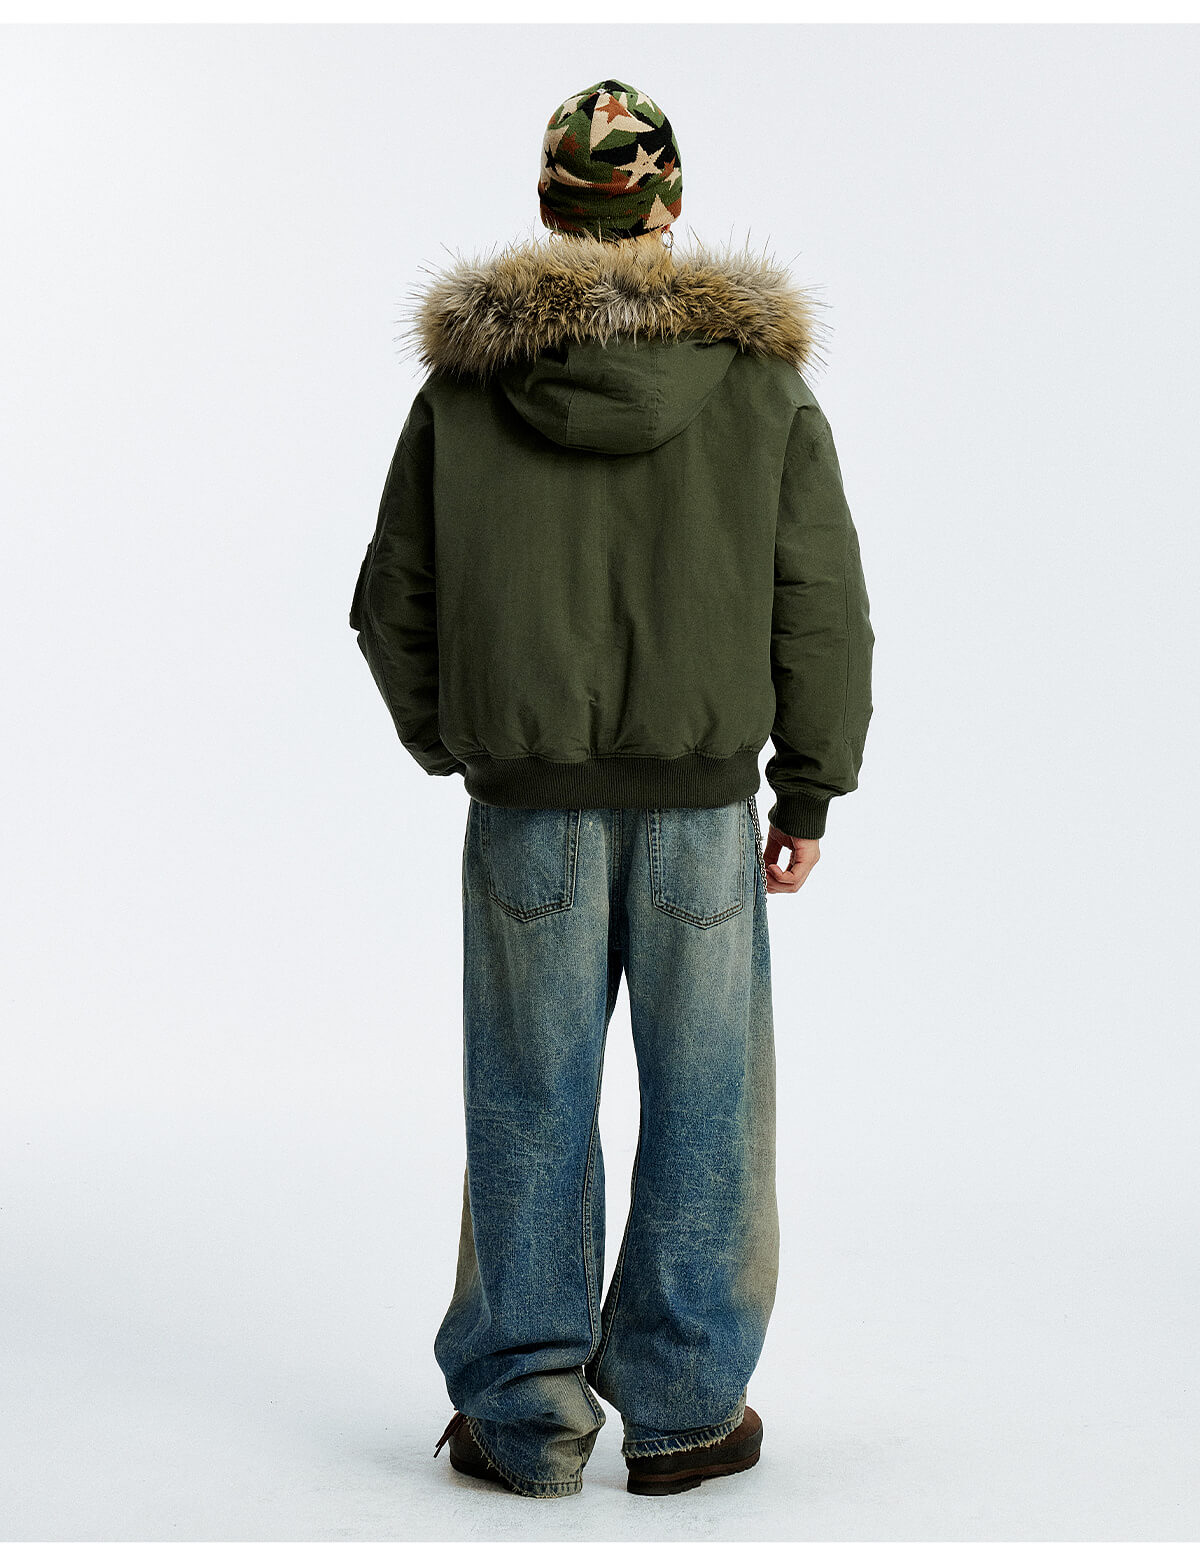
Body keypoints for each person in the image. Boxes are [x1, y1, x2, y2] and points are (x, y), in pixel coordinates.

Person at [349, 77, 874, 1500]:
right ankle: (688, 1414)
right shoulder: (760, 389)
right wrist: (807, 791)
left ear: (548, 207)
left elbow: (391, 601)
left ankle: (524, 1422)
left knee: (528, 1103)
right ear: (670, 206)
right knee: (710, 1109)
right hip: (704, 815)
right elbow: (822, 606)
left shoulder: (466, 392)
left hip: (527, 809)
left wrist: (466, 742)